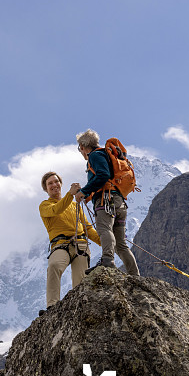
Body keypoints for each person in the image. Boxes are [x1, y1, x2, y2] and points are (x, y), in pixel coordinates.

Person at [74, 129, 140, 276]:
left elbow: (103, 175)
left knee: (104, 229)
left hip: (106, 200)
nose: (81, 152)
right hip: (119, 202)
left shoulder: (95, 156)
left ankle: (107, 260)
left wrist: (84, 191)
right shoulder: (107, 155)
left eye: (80, 148)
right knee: (121, 244)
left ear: (83, 146)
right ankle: (134, 275)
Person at [39, 171, 101, 314]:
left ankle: (79, 308)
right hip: (61, 245)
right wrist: (70, 194)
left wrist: (104, 242)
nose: (54, 185)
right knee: (54, 265)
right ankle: (52, 305)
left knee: (80, 279)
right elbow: (56, 209)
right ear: (46, 189)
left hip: (80, 243)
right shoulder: (45, 206)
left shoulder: (75, 206)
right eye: (50, 184)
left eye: (56, 182)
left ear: (60, 184)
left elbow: (87, 228)